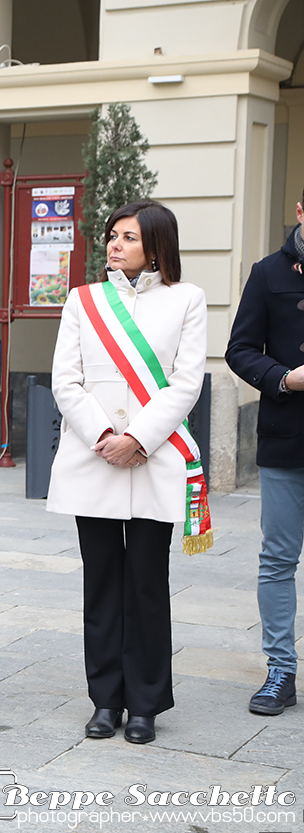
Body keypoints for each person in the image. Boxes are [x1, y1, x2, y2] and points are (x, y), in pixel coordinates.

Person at [48, 200, 209, 745]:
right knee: (101, 584)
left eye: (129, 237)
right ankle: (105, 701)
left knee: (146, 583)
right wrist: (104, 438)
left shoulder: (187, 299)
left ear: (157, 244)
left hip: (155, 455)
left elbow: (187, 383)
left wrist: (138, 438)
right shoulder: (83, 300)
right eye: (113, 236)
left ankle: (144, 704)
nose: (115, 245)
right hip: (94, 458)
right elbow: (65, 381)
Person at [226, 192, 304, 717]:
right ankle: (281, 670)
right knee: (278, 559)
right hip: (288, 439)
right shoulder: (268, 271)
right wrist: (284, 378)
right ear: (300, 211)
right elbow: (240, 349)